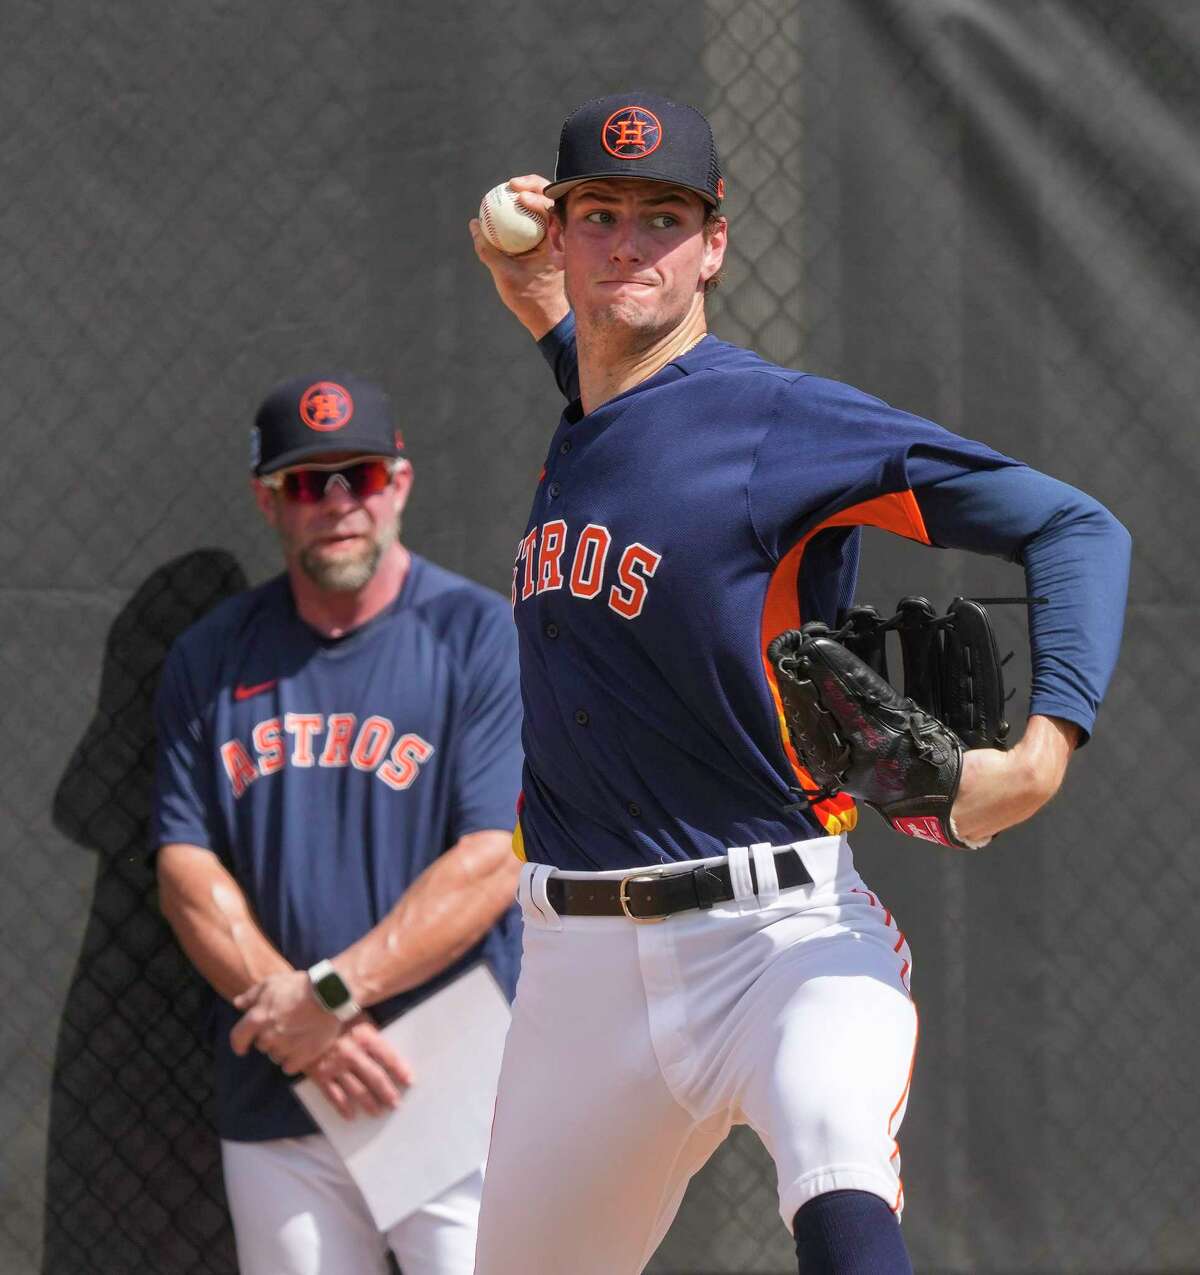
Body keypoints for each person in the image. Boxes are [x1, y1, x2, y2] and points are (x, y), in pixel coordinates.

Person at [467, 92, 1131, 1274]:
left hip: (780, 937)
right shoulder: (595, 413)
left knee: (839, 1173)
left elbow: (1076, 528)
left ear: (714, 245)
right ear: (559, 235)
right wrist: (535, 301)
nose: (631, 243)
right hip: (575, 974)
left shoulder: (775, 421)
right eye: (600, 214)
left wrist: (1037, 758)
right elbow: (625, 403)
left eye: (664, 218)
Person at [152, 373, 523, 1275]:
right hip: (281, 1098)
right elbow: (184, 870)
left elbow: (492, 860)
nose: (339, 502)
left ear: (399, 481)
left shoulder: (477, 634)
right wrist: (300, 1025)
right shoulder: (212, 656)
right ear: (269, 501)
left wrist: (323, 1001)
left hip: (449, 1090)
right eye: (308, 482)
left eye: (358, 473)